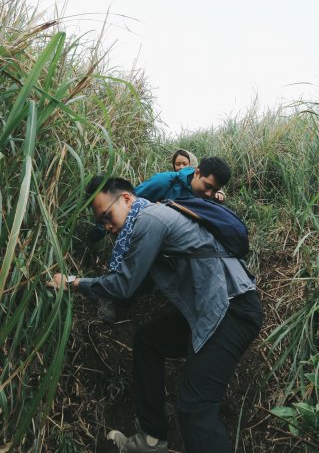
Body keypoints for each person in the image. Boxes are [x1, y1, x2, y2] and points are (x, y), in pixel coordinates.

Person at [48, 176, 263, 453]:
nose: (107, 226)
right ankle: (151, 439)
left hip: (230, 309)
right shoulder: (153, 219)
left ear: (126, 198)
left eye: (107, 216)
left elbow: (125, 285)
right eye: (101, 222)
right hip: (207, 309)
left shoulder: (151, 220)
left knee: (195, 410)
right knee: (148, 342)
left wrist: (74, 283)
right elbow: (142, 282)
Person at [135, 155, 230, 203]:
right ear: (197, 173)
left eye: (215, 190)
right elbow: (130, 202)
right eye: (207, 186)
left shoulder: (212, 197)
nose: (209, 194)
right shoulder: (163, 181)